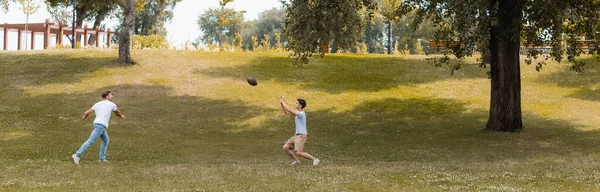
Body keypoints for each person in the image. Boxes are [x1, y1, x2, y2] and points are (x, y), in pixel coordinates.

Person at [71, 91, 125, 165]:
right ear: (106, 96)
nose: (112, 96)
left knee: (106, 140)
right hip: (100, 126)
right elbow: (117, 112)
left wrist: (84, 117)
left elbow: (87, 112)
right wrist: (121, 116)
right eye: (111, 95)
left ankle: (101, 159)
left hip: (98, 124)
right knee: (91, 141)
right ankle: (77, 155)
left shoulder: (97, 104)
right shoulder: (112, 104)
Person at [280, 96, 319, 166]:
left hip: (301, 135)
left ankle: (315, 159)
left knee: (299, 153)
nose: (295, 104)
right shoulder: (297, 112)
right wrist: (281, 104)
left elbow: (289, 109)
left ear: (300, 106)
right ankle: (297, 161)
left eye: (297, 103)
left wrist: (283, 102)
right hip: (296, 135)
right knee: (285, 147)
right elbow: (286, 112)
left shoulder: (301, 114)